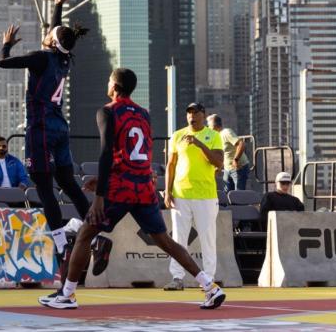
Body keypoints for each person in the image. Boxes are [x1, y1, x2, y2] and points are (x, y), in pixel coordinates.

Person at [39, 69, 225, 310]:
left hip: (121, 188)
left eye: (108, 80)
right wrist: (109, 176)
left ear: (114, 85)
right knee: (165, 241)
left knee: (85, 234)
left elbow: (107, 153)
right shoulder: (143, 114)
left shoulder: (107, 111)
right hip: (143, 185)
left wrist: (99, 196)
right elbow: (140, 152)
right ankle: (210, 287)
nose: (107, 83)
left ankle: (67, 295)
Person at [0, 0, 93, 260]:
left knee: (44, 187)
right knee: (68, 182)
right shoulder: (63, 59)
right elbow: (57, 31)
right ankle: (93, 229)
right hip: (60, 126)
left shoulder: (41, 57)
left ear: (51, 41)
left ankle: (60, 242)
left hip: (41, 128)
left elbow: (2, 62)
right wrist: (59, 4)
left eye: (51, 33)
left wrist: (6, 45)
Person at [164, 102, 223, 291]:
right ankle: (177, 277)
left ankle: (209, 279)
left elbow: (218, 162)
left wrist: (199, 144)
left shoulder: (213, 136)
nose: (192, 116)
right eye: (189, 112)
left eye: (196, 112)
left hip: (205, 196)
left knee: (207, 238)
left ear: (203, 115)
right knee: (179, 239)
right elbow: (171, 165)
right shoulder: (177, 135)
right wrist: (168, 191)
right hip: (181, 194)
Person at [207, 114, 250, 192]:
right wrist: (218, 168)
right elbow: (225, 154)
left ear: (214, 125)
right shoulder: (217, 137)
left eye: (208, 125)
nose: (208, 128)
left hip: (238, 168)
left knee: (238, 194)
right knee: (226, 193)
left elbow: (242, 144)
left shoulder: (226, 132)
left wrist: (236, 160)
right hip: (227, 169)